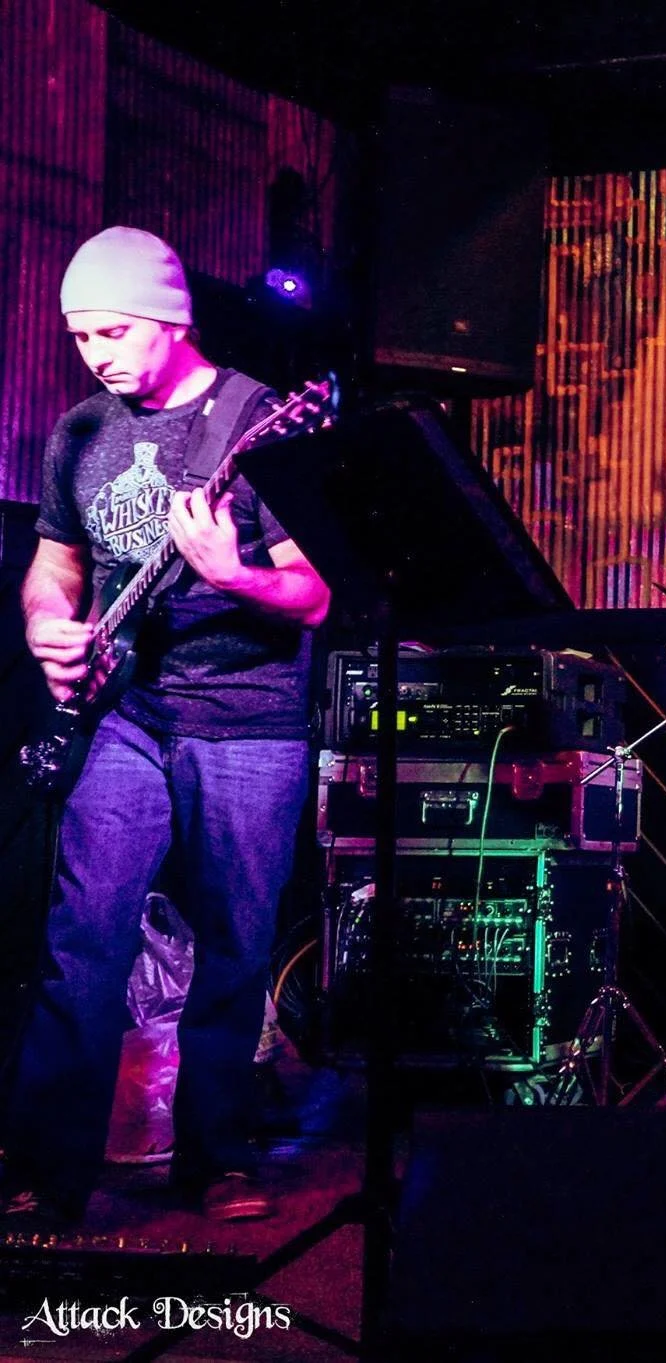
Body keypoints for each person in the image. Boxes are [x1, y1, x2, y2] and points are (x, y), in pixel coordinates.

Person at [4, 227, 330, 1227]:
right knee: (82, 940)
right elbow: (56, 563)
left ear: (171, 319)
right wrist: (47, 625)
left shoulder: (259, 420)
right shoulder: (79, 432)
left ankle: (217, 1158)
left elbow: (315, 593)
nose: (93, 354)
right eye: (80, 336)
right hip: (125, 714)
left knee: (234, 945)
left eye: (112, 332)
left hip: (249, 721)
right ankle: (51, 1168)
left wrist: (234, 575)